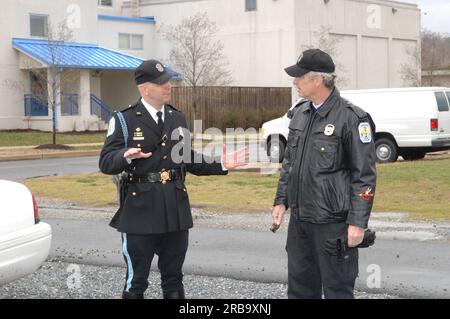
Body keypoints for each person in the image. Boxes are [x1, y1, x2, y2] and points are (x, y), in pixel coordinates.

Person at [99, 59, 248, 299]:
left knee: (174, 280)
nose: (168, 85)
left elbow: (187, 158)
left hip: (175, 208)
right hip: (140, 209)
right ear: (144, 88)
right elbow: (106, 162)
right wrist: (124, 156)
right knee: (136, 282)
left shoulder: (177, 118)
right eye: (160, 83)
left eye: (168, 80)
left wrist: (220, 163)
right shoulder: (124, 120)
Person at [272, 49, 377, 299]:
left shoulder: (352, 118)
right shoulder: (300, 113)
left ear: (318, 79)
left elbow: (364, 176)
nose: (295, 81)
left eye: (299, 76)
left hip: (333, 224)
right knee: (299, 289)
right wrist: (281, 201)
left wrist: (358, 223)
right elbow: (290, 164)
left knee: (337, 290)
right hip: (300, 222)